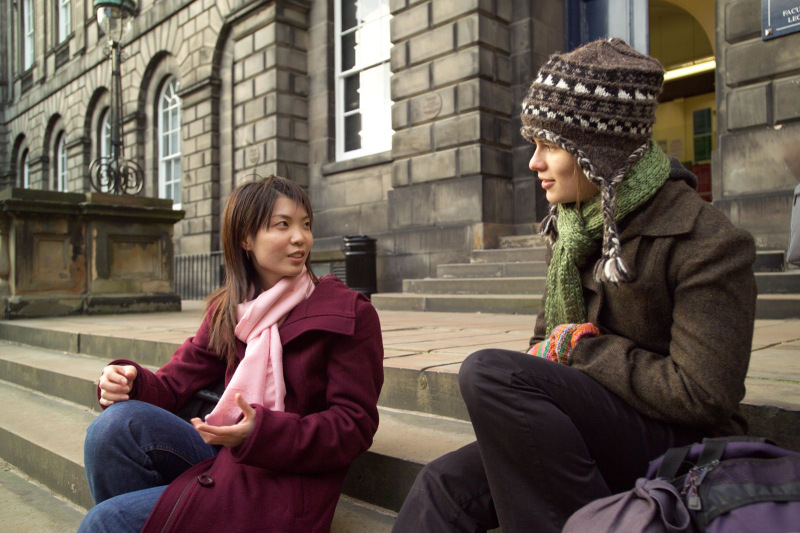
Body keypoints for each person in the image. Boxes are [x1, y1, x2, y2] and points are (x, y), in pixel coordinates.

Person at [392, 38, 757, 533]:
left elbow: (703, 395)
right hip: (586, 423)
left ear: (598, 152)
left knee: (489, 373)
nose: (533, 163)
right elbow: (545, 350)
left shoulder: (707, 240)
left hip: (676, 442)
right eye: (533, 145)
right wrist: (565, 355)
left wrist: (585, 352)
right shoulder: (570, 230)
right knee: (442, 484)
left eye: (548, 146)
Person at [78, 176, 384, 533]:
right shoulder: (231, 311)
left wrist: (262, 432)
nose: (300, 238)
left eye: (305, 225)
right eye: (282, 225)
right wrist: (127, 381)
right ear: (245, 238)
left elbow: (354, 427)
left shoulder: (348, 313)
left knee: (105, 522)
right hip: (223, 458)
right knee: (113, 427)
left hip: (284, 482)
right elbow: (173, 385)